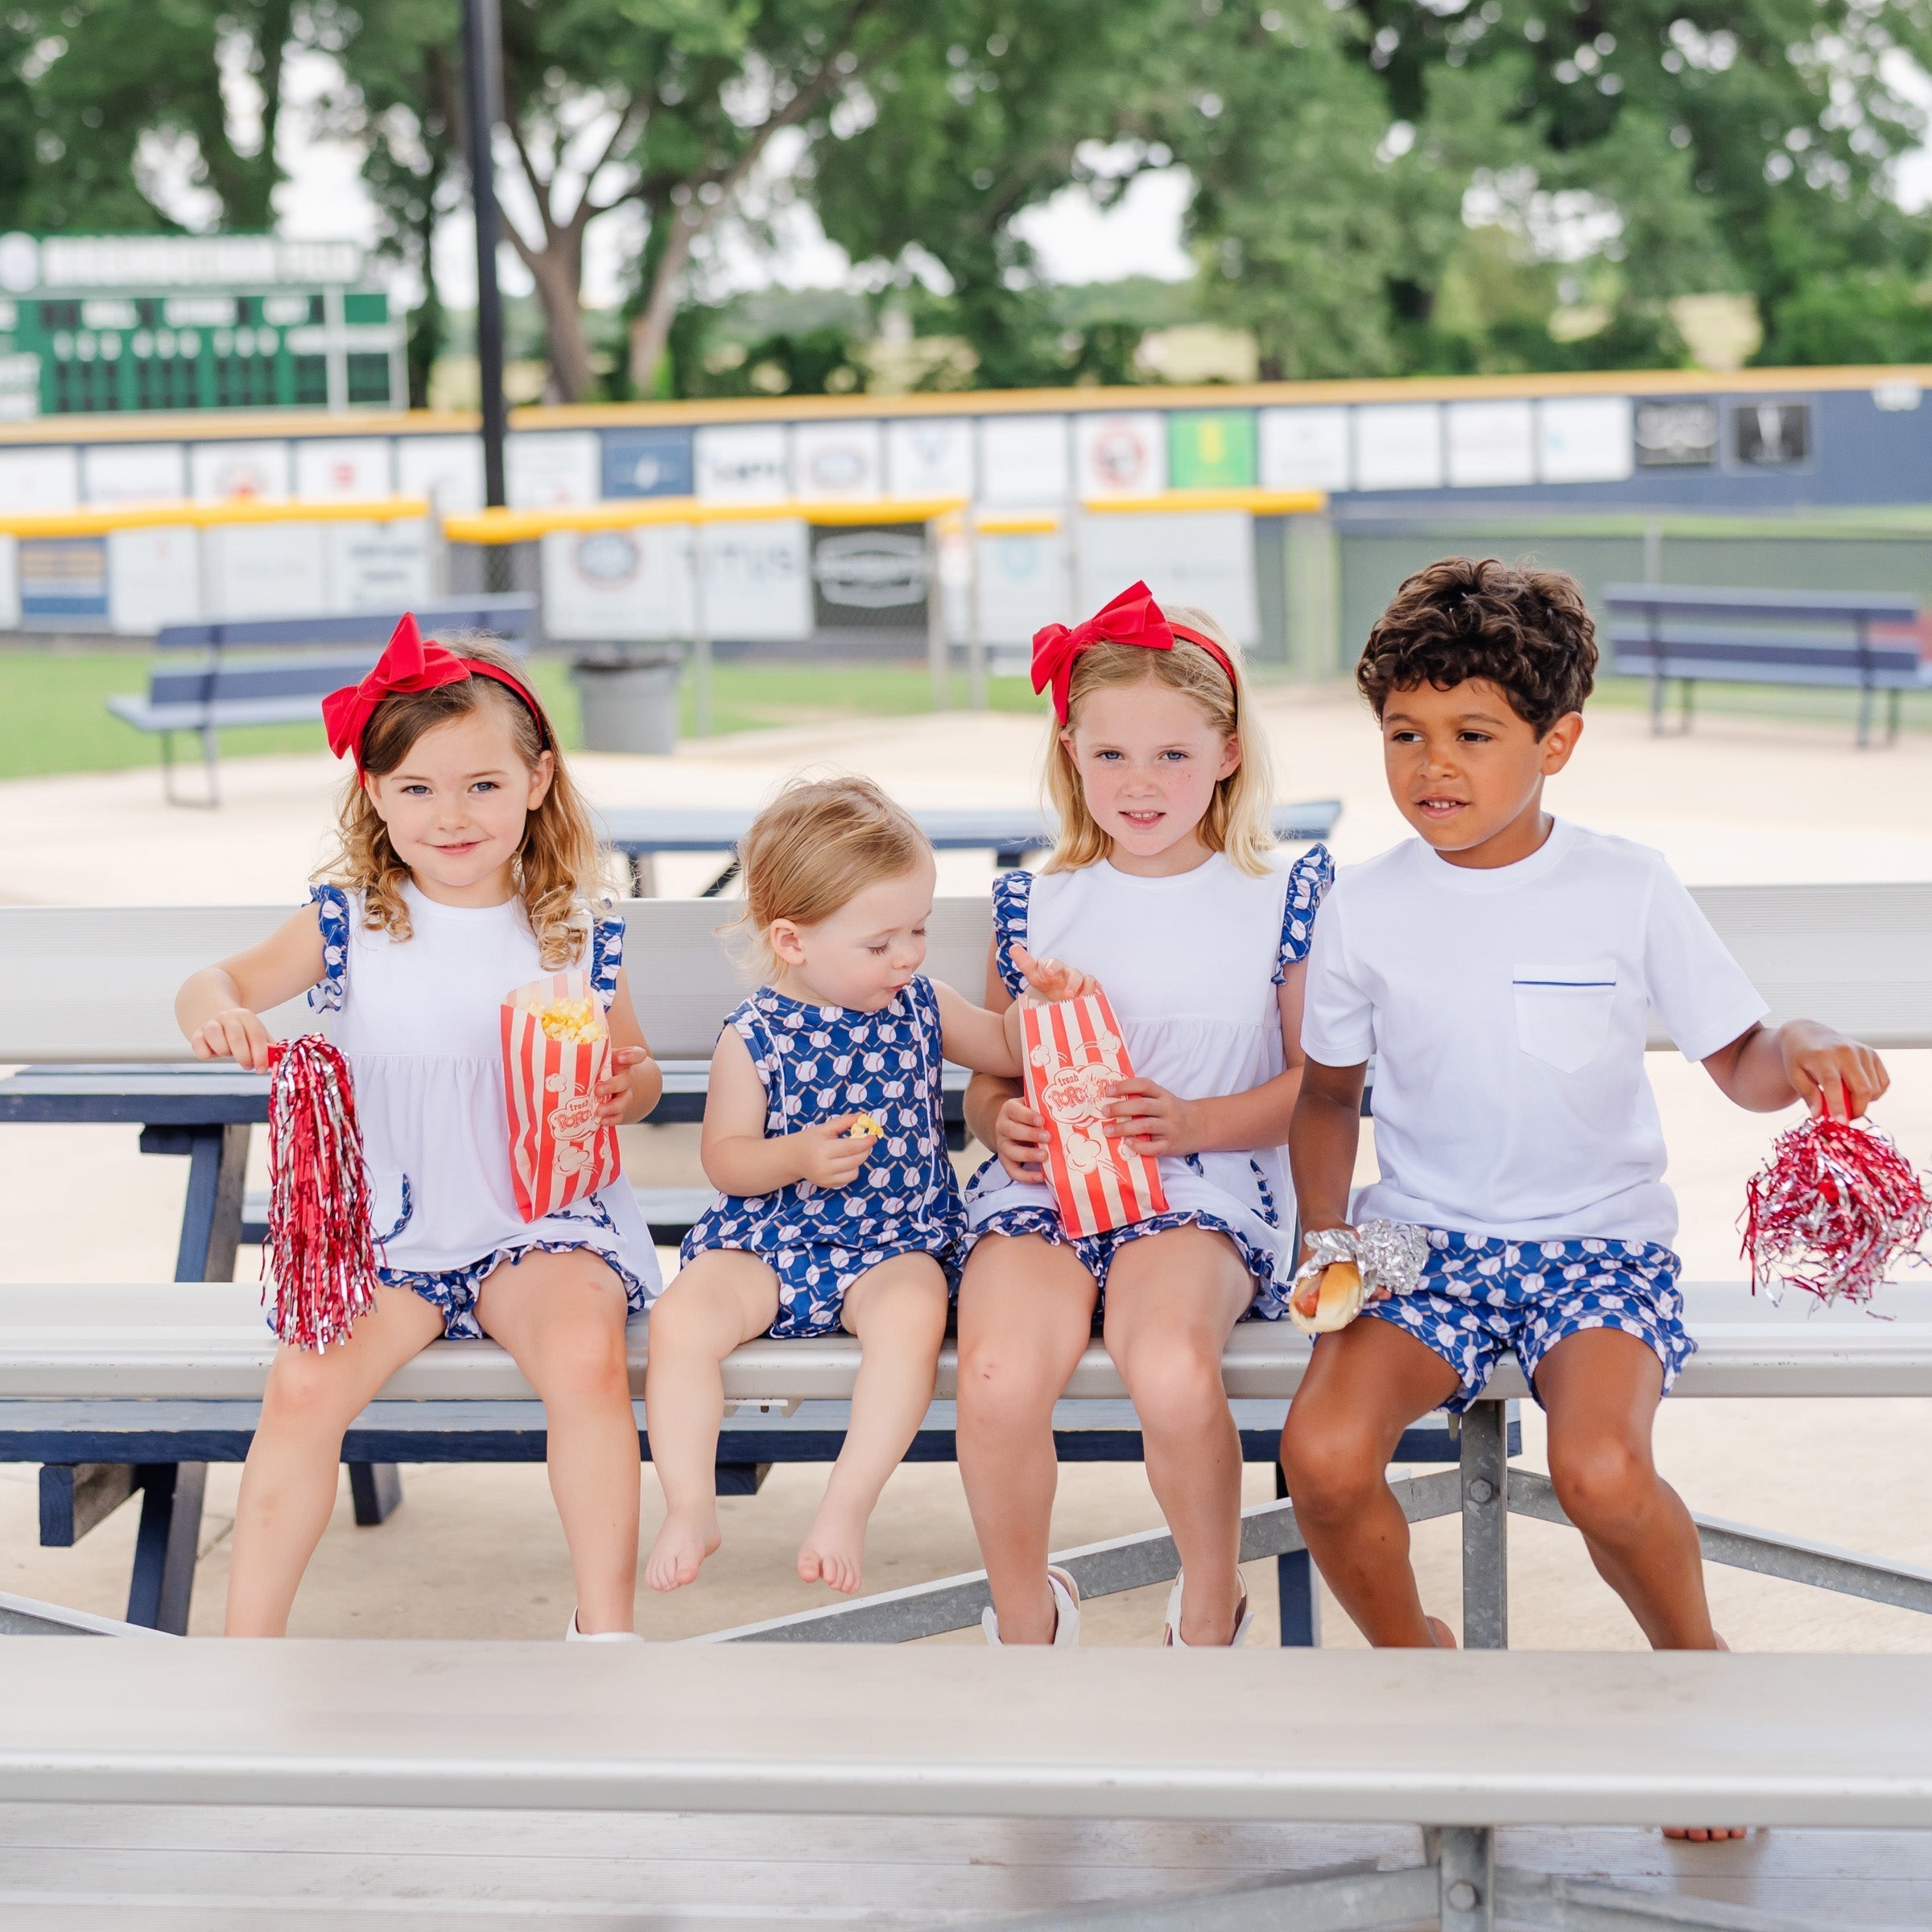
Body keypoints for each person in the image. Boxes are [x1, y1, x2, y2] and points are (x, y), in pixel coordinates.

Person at [1281, 556, 1887, 1839]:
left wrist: (1811, 1040)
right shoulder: (1366, 905)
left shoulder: (1627, 884)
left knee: (1603, 1469)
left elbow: (1741, 1060)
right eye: (1404, 734)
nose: (1431, 766)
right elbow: (1328, 1096)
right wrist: (1328, 1236)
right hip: (1417, 1245)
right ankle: (1420, 1677)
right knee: (1323, 1460)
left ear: (1556, 742)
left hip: (1594, 1253)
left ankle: (1695, 1683)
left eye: (1473, 736)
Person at [176, 617, 663, 1641]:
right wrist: (217, 1012)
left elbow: (637, 1066)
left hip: (540, 1224)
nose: (451, 816)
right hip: (390, 1237)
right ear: (375, 796)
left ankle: (606, 1632)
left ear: (537, 782)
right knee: (304, 1383)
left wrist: (632, 1086)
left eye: (482, 785)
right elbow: (218, 979)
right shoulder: (352, 919)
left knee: (584, 1356)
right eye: (417, 790)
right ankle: (242, 1652)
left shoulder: (573, 924)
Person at [957, 583, 1333, 1649]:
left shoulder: (1277, 893)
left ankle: (1209, 1606)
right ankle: (1029, 1621)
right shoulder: (1039, 900)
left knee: (1165, 1360)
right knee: (993, 1375)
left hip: (1202, 1181)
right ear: (1071, 753)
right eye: (1112, 754)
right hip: (1045, 1185)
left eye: (1173, 754)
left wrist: (1195, 1124)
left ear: (1226, 755)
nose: (1140, 782)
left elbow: (1317, 1084)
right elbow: (996, 1065)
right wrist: (997, 1122)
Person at [643, 775, 1087, 1598]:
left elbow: (1007, 1049)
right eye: (881, 943)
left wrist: (1045, 1009)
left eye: (916, 930)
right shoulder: (754, 1037)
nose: (908, 956)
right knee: (678, 1322)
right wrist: (796, 1159)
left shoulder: (923, 1004)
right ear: (793, 940)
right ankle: (688, 1502)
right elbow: (725, 1160)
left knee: (913, 1317)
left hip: (896, 1241)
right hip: (768, 1241)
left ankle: (847, 1505)